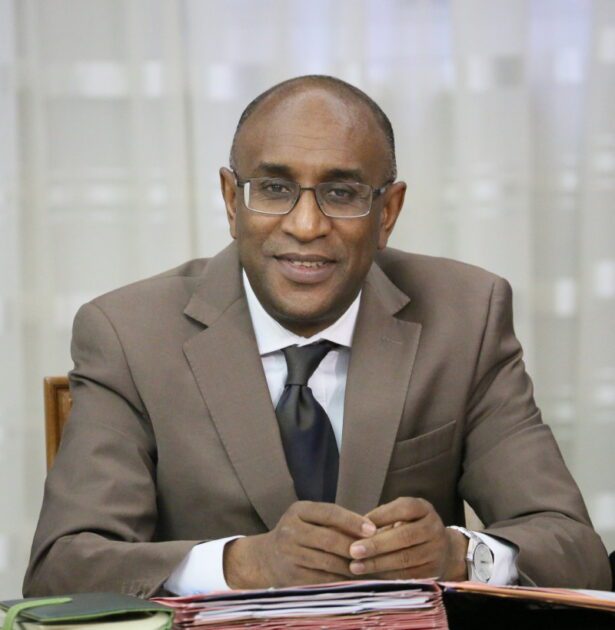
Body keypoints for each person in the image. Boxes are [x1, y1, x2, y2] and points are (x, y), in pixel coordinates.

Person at [24, 75, 611, 597]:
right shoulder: (128, 334)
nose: (306, 226)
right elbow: (63, 568)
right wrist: (243, 564)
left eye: (342, 193)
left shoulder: (466, 317)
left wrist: (462, 556)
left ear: (387, 212)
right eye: (274, 189)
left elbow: (577, 551)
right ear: (231, 201)